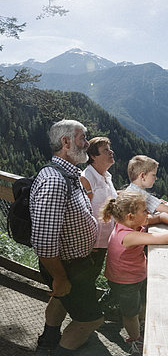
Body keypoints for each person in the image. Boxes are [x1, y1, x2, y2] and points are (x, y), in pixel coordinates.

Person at [30, 120, 104, 355]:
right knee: (91, 320)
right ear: (66, 142)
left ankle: (48, 343)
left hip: (72, 263)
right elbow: (43, 241)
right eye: (83, 138)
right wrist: (60, 277)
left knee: (60, 300)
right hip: (66, 266)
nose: (87, 143)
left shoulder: (69, 174)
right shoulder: (55, 180)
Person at [102, 190, 168, 355]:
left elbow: (162, 216)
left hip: (137, 275)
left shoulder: (131, 222)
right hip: (124, 281)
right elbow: (163, 239)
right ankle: (136, 341)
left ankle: (140, 326)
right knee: (130, 313)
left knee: (142, 302)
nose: (149, 213)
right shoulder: (127, 235)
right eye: (145, 210)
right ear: (130, 216)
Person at [80, 137, 118, 273]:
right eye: (105, 150)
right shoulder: (86, 178)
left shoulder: (106, 177)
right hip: (91, 245)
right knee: (85, 278)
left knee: (93, 275)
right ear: (93, 156)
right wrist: (89, 245)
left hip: (103, 242)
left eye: (110, 148)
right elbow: (82, 213)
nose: (111, 152)